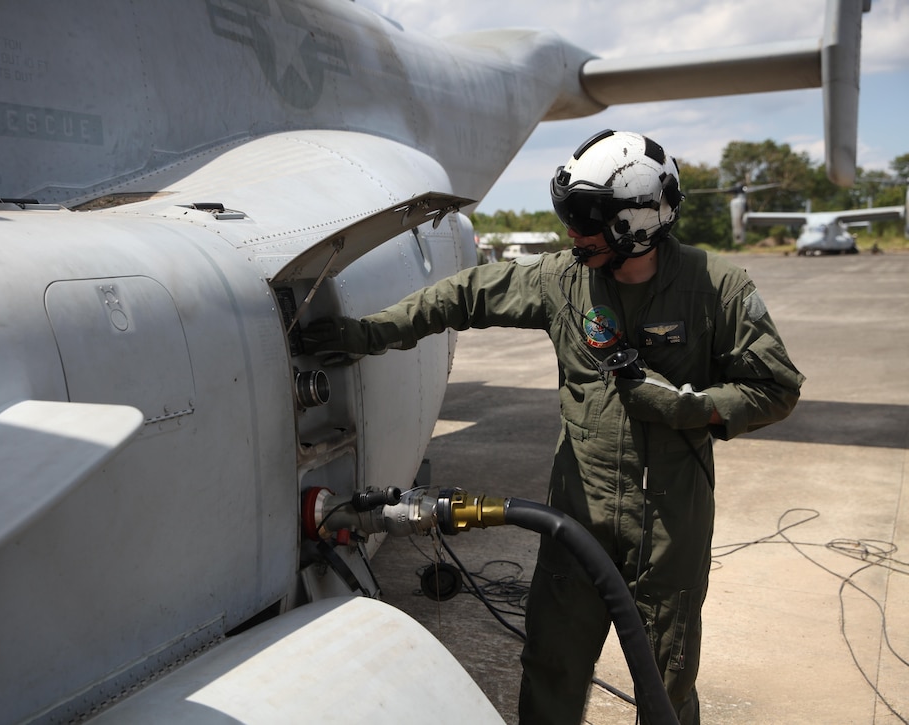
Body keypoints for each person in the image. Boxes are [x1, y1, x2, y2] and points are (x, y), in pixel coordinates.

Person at [300, 129, 804, 724]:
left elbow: (776, 388)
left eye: (586, 220)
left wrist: (684, 407)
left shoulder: (717, 289)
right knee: (552, 667)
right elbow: (462, 296)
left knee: (666, 683)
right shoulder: (561, 280)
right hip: (577, 517)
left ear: (637, 222)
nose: (572, 234)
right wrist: (366, 334)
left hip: (669, 527)